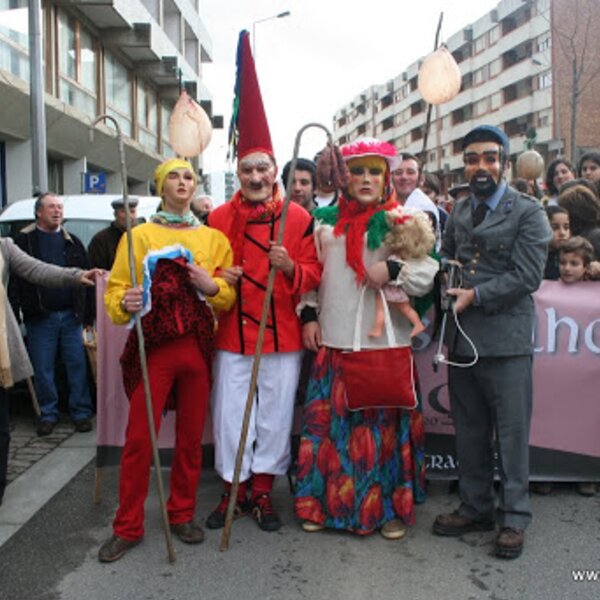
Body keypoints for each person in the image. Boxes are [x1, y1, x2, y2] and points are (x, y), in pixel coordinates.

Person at [205, 31, 322, 534]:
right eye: (248, 168)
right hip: (233, 333)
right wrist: (217, 275)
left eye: (263, 168)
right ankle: (230, 489)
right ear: (238, 171)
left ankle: (262, 492)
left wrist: (291, 268)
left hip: (281, 334)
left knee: (275, 415)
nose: (255, 176)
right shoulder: (214, 217)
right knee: (232, 417)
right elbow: (203, 273)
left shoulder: (298, 218)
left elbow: (316, 274)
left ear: (275, 172)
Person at [294, 138, 438, 540]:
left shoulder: (402, 220)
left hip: (384, 348)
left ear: (386, 176)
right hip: (335, 344)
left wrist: (392, 270)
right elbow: (311, 272)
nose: (366, 179)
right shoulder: (322, 221)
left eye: (374, 171)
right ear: (344, 176)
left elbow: (427, 271)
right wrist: (308, 315)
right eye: (357, 171)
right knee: (331, 435)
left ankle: (388, 510)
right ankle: (324, 508)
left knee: (383, 437)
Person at [98, 158, 236, 562]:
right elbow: (116, 293)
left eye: (188, 176)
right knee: (140, 439)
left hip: (197, 349)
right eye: (174, 176)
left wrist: (212, 287)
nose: (182, 181)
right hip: (152, 349)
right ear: (161, 186)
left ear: (195, 187)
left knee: (192, 439)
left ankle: (181, 513)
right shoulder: (137, 236)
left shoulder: (213, 238)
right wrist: (125, 300)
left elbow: (226, 297)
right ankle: (127, 526)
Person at [432, 125, 551, 560]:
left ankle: (514, 518)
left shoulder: (529, 212)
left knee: (512, 434)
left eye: (488, 158)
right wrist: (446, 271)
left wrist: (475, 294)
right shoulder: (460, 210)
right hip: (462, 341)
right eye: (471, 159)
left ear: (503, 162)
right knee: (470, 431)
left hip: (507, 340)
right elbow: (448, 255)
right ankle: (476, 506)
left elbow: (527, 277)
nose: (479, 167)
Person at [0, 238, 100, 506]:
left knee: (1, 426)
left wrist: (77, 275)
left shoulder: (4, 246)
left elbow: (38, 270)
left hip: (0, 348)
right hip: (32, 324)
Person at [9, 193, 95, 436]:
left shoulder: (74, 242)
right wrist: (16, 317)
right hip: (40, 318)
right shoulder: (23, 242)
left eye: (59, 207)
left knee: (77, 366)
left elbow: (86, 280)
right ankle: (47, 414)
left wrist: (87, 316)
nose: (57, 211)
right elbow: (15, 283)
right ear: (38, 212)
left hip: (71, 317)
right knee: (43, 369)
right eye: (51, 207)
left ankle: (81, 413)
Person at [369, 206, 435, 339]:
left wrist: (393, 269)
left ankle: (380, 328)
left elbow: (425, 274)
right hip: (391, 287)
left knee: (395, 307)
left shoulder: (401, 258)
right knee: (394, 307)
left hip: (393, 288)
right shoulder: (397, 255)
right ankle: (379, 328)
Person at [391, 153, 440, 246]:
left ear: (421, 179)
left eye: (410, 172)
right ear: (391, 178)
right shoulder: (387, 204)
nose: (404, 177)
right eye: (398, 173)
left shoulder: (424, 208)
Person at [88, 197, 139, 270]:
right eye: (124, 212)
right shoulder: (101, 240)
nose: (129, 216)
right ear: (115, 214)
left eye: (132, 211)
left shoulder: (141, 236)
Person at [543, 206, 570, 280]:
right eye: (555, 228)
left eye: (566, 227)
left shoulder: (574, 254)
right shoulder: (537, 257)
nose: (562, 233)